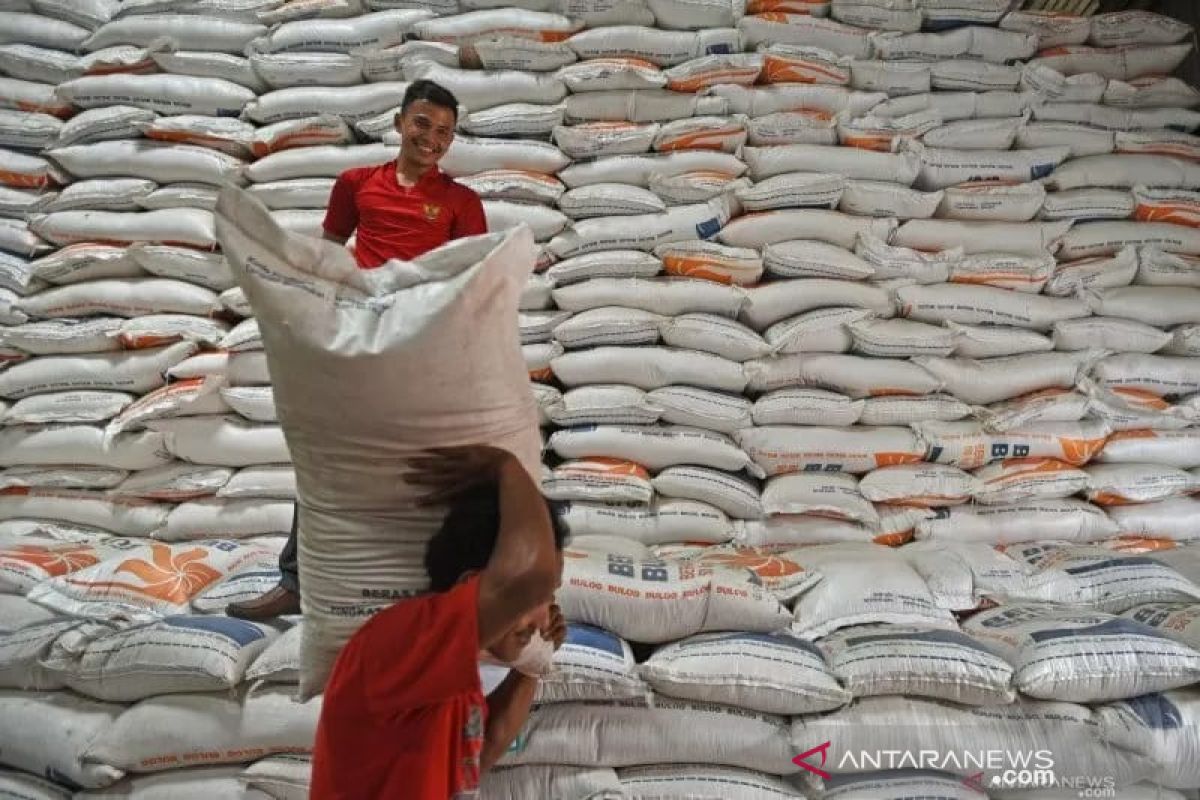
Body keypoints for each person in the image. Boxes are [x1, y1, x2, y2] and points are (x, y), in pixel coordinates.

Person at [227, 79, 487, 620]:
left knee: (424, 473)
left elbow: (469, 283)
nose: (432, 139)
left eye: (444, 132)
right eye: (422, 124)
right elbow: (327, 258)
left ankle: (432, 593)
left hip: (420, 348)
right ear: (398, 123)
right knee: (328, 461)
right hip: (357, 340)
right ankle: (297, 582)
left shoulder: (462, 202)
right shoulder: (354, 184)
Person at [309, 445, 567, 799]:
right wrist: (506, 466)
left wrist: (531, 663)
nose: (545, 619)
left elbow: (485, 749)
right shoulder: (399, 642)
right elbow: (527, 574)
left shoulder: (446, 673)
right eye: (538, 598)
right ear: (470, 586)